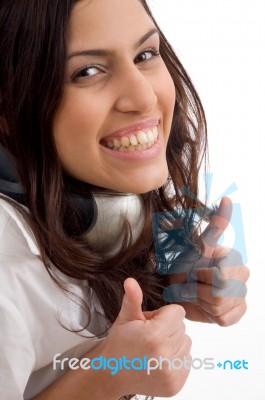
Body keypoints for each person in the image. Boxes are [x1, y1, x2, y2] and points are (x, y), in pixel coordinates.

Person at [0, 0, 249, 399]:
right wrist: (106, 375)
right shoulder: (6, 273)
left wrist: (167, 283)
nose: (143, 97)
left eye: (145, 54)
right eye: (87, 71)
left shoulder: (94, 196)